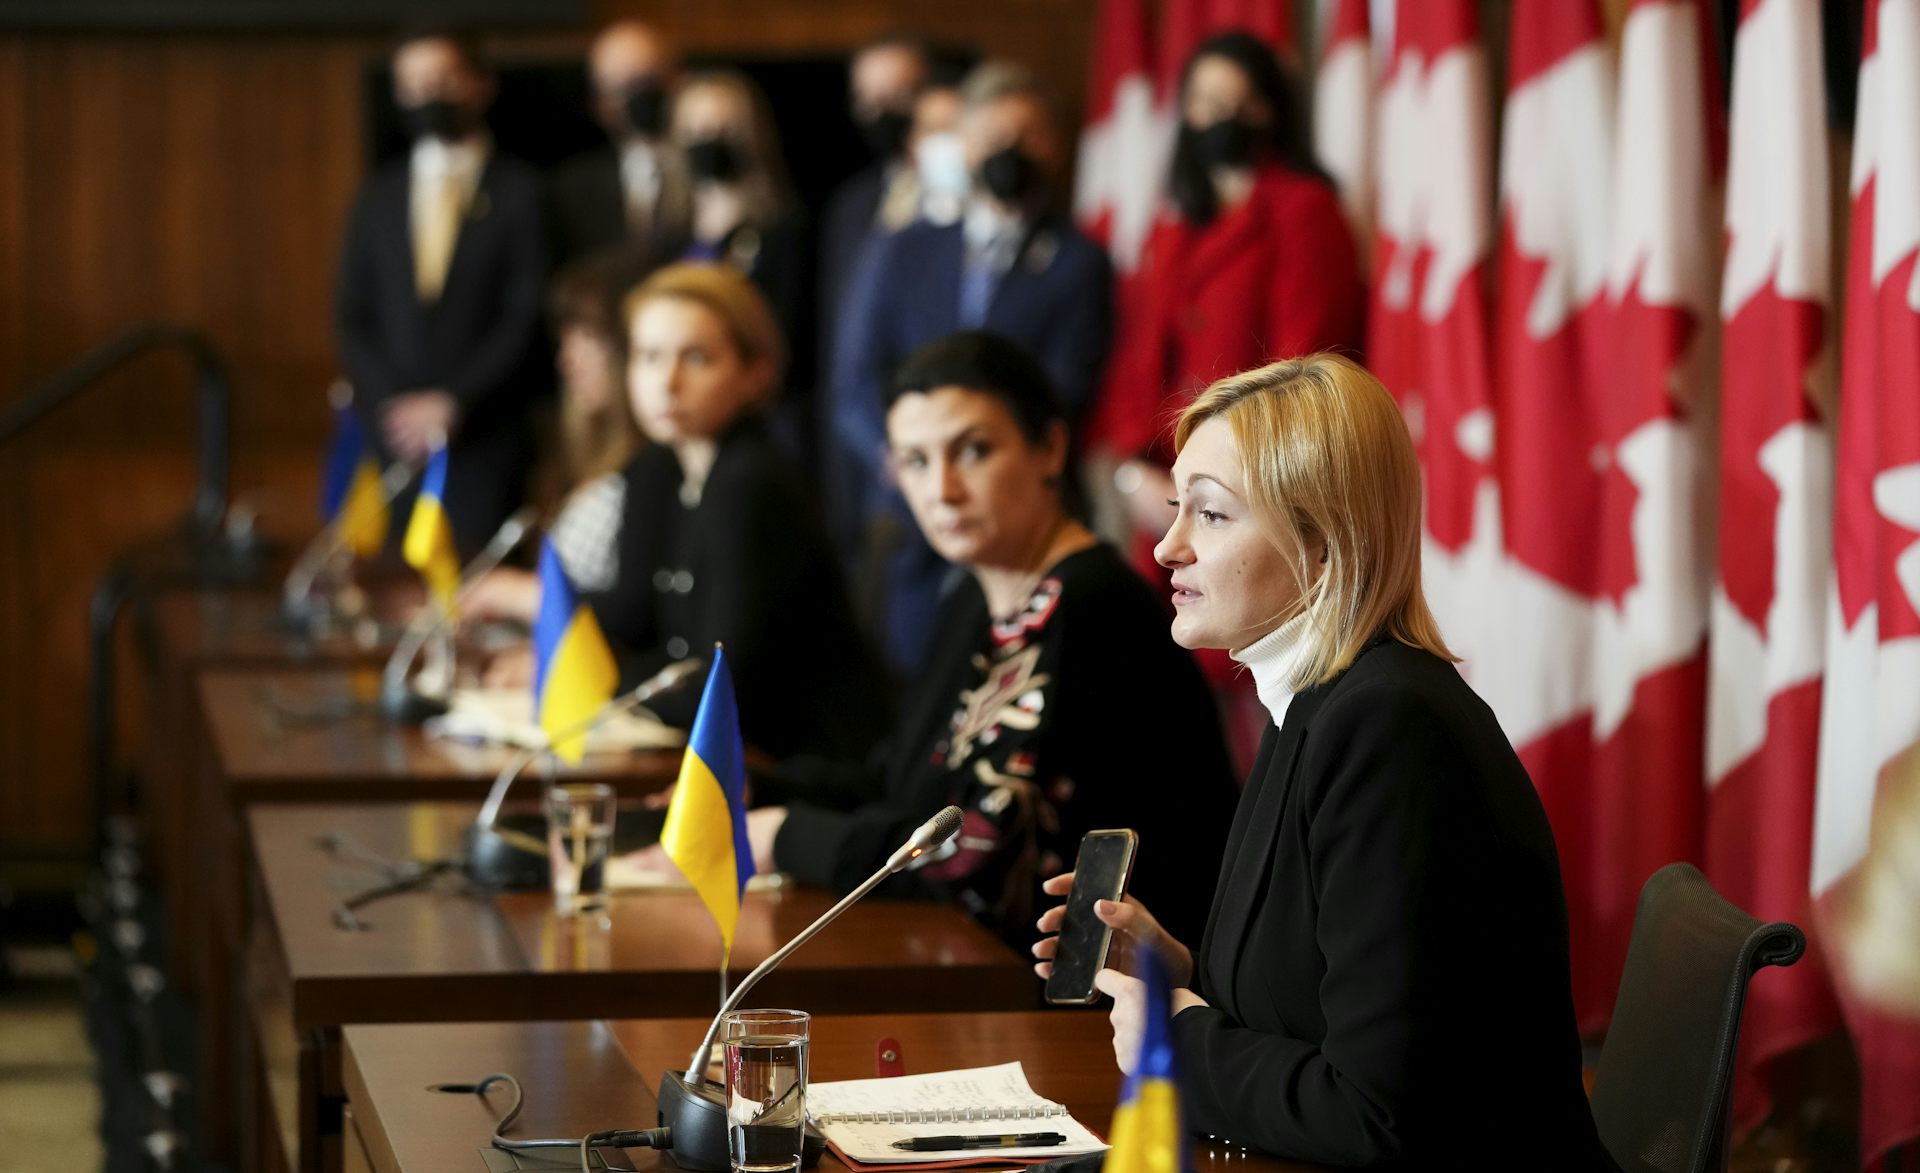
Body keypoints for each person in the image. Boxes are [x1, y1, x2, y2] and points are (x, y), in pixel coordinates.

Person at [1033, 355, 1615, 1170]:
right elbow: (1335, 1001)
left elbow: (1378, 1112)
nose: (1167, 548)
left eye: (1210, 515)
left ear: (1320, 543)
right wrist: (1183, 971)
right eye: (1176, 508)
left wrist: (1181, 1035)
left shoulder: (1389, 726)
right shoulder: (1317, 698)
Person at [735, 333, 1237, 952]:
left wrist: (785, 834)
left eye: (972, 451)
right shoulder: (973, 597)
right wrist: (750, 788)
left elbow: (980, 860)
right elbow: (905, 786)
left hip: (1112, 1004)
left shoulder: (1094, 608)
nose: (941, 490)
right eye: (915, 461)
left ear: (1050, 448)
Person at [1092, 31, 1366, 767]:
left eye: (1243, 103)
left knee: (1263, 715)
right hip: (1163, 497)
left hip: (1261, 490)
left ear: (1274, 112)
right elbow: (1136, 368)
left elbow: (1301, 369)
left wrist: (1203, 488)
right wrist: (1137, 477)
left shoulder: (1302, 210)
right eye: (1208, 103)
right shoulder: (1175, 224)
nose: (1224, 117)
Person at [833, 60, 1114, 678]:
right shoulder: (906, 246)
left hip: (1019, 519)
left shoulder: (1079, 263)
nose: (1006, 149)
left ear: (1055, 145)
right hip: (911, 529)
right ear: (961, 144)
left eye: (1025, 134)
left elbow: (1065, 388)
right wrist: (907, 458)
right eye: (989, 134)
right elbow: (854, 381)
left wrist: (973, 452)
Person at [588, 263, 889, 761]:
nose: (667, 381)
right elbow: (635, 618)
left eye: (697, 358)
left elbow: (720, 687)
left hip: (801, 769)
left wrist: (596, 683)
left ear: (755, 373)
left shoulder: (752, 485)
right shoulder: (659, 468)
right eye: (649, 357)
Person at [335, 23, 549, 552]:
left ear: (479, 84)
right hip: (391, 444)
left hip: (484, 439)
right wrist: (394, 408)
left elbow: (527, 313)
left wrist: (455, 402)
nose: (429, 95)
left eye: (444, 78)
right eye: (414, 82)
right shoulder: (378, 196)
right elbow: (352, 314)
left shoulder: (523, 193)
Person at [465, 253, 649, 622]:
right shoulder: (577, 461)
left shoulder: (654, 471)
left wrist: (513, 593)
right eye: (565, 338)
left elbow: (635, 615)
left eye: (589, 336)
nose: (568, 360)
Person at [669, 71, 806, 352]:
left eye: (723, 131)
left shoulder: (782, 233)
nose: (708, 142)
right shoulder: (672, 231)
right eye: (696, 131)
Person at [548, 20, 690, 268]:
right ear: (600, 105)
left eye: (647, 81)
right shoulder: (571, 189)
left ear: (679, 79)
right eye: (620, 89)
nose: (638, 97)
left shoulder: (712, 168)